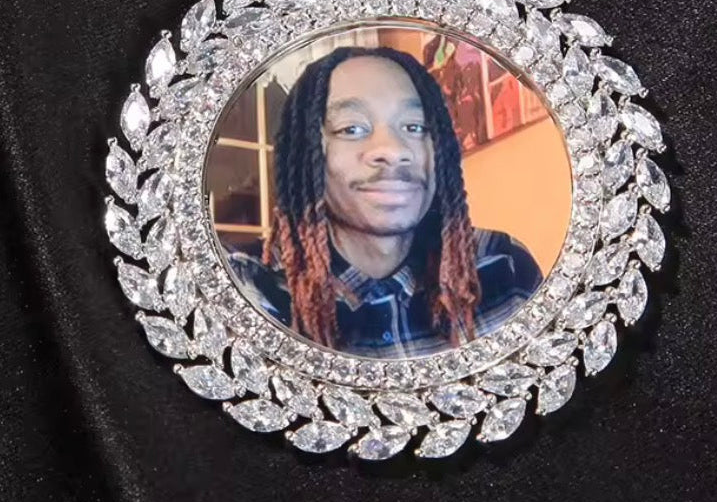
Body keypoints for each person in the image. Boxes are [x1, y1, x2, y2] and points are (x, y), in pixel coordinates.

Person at [226, 44, 543, 358]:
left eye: (414, 127)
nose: (393, 150)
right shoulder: (245, 289)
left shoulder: (503, 265)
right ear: (306, 156)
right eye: (351, 128)